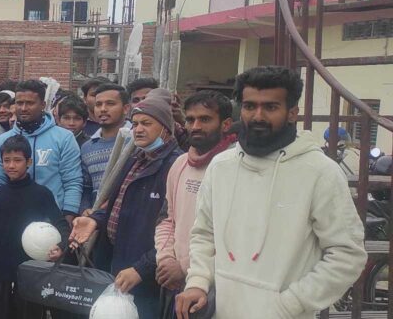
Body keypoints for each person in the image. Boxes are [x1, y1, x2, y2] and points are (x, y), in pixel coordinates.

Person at [175, 67, 367, 319]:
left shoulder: (320, 172)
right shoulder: (221, 166)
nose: (258, 116)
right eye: (249, 106)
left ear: (292, 113)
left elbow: (347, 255)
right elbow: (204, 234)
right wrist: (198, 282)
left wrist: (289, 304)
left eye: (271, 107)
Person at [70, 89, 182, 318]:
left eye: (147, 124)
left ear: (165, 128)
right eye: (136, 123)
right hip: (119, 263)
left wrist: (142, 268)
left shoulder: (175, 166)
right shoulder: (135, 159)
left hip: (147, 276)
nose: (138, 129)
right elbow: (118, 205)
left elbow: (174, 230)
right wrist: (95, 220)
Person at [155, 91, 235, 318]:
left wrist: (186, 268)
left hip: (216, 289)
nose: (196, 126)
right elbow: (167, 220)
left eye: (205, 119)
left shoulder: (235, 168)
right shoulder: (180, 164)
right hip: (174, 283)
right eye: (190, 120)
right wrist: (166, 259)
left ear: (226, 124)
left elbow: (233, 237)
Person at [0, 79, 83, 231]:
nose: (23, 108)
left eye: (30, 103)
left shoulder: (64, 138)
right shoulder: (3, 140)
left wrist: (65, 225)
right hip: (12, 222)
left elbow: (72, 182)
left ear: (43, 105)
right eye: (19, 103)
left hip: (50, 224)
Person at [0, 135, 68, 319]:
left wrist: (61, 246)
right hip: (1, 269)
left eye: (17, 160)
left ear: (29, 162)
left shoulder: (42, 193)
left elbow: (61, 225)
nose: (11, 165)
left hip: (32, 271)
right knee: (0, 313)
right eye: (6, 160)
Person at [79, 84, 131, 212]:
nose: (103, 109)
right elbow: (86, 187)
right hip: (96, 217)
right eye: (98, 104)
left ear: (126, 108)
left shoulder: (136, 141)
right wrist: (85, 209)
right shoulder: (87, 147)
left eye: (110, 104)